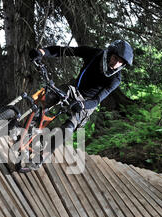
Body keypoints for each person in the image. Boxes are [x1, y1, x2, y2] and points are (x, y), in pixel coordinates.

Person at [22, 40, 134, 171]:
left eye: (120, 62)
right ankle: (28, 127)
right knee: (49, 97)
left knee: (68, 130)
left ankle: (41, 157)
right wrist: (42, 52)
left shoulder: (116, 79)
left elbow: (98, 99)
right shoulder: (95, 54)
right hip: (73, 89)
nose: (116, 64)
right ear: (110, 53)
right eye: (115, 58)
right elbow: (64, 51)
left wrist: (82, 104)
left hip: (87, 103)